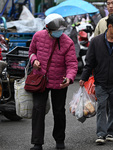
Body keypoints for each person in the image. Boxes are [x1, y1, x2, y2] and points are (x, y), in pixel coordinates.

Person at [79, 14, 113, 145]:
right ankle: (101, 134)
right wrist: (83, 78)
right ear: (110, 26)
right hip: (101, 82)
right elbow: (89, 62)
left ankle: (111, 131)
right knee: (102, 107)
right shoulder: (96, 42)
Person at [29, 13, 78, 150]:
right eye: (56, 31)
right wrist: (34, 60)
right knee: (38, 109)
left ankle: (59, 140)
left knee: (59, 111)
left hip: (59, 81)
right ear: (47, 29)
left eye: (61, 30)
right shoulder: (37, 36)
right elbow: (31, 52)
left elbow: (72, 64)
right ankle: (37, 143)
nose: (59, 33)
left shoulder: (67, 42)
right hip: (40, 79)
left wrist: (69, 78)